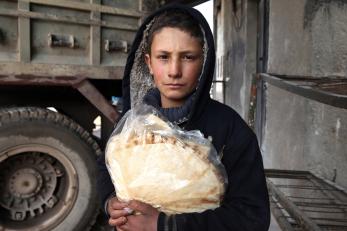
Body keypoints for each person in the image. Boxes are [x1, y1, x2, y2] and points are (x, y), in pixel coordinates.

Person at [97, 4, 270, 231]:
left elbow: (252, 218)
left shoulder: (230, 129)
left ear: (204, 61)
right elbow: (105, 169)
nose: (174, 71)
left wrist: (165, 225)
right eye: (164, 57)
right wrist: (110, 202)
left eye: (188, 57)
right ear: (149, 63)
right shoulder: (133, 123)